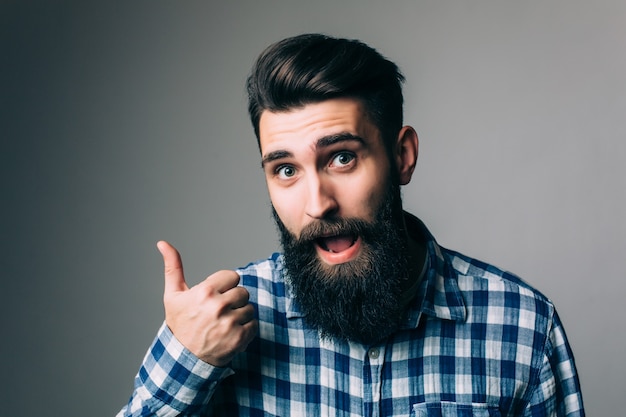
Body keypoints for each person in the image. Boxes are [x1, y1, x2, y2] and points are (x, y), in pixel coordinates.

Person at [118, 33, 585, 416]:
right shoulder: (220, 326)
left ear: (402, 156)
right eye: (286, 170)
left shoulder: (522, 327)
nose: (317, 203)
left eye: (342, 158)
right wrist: (188, 359)